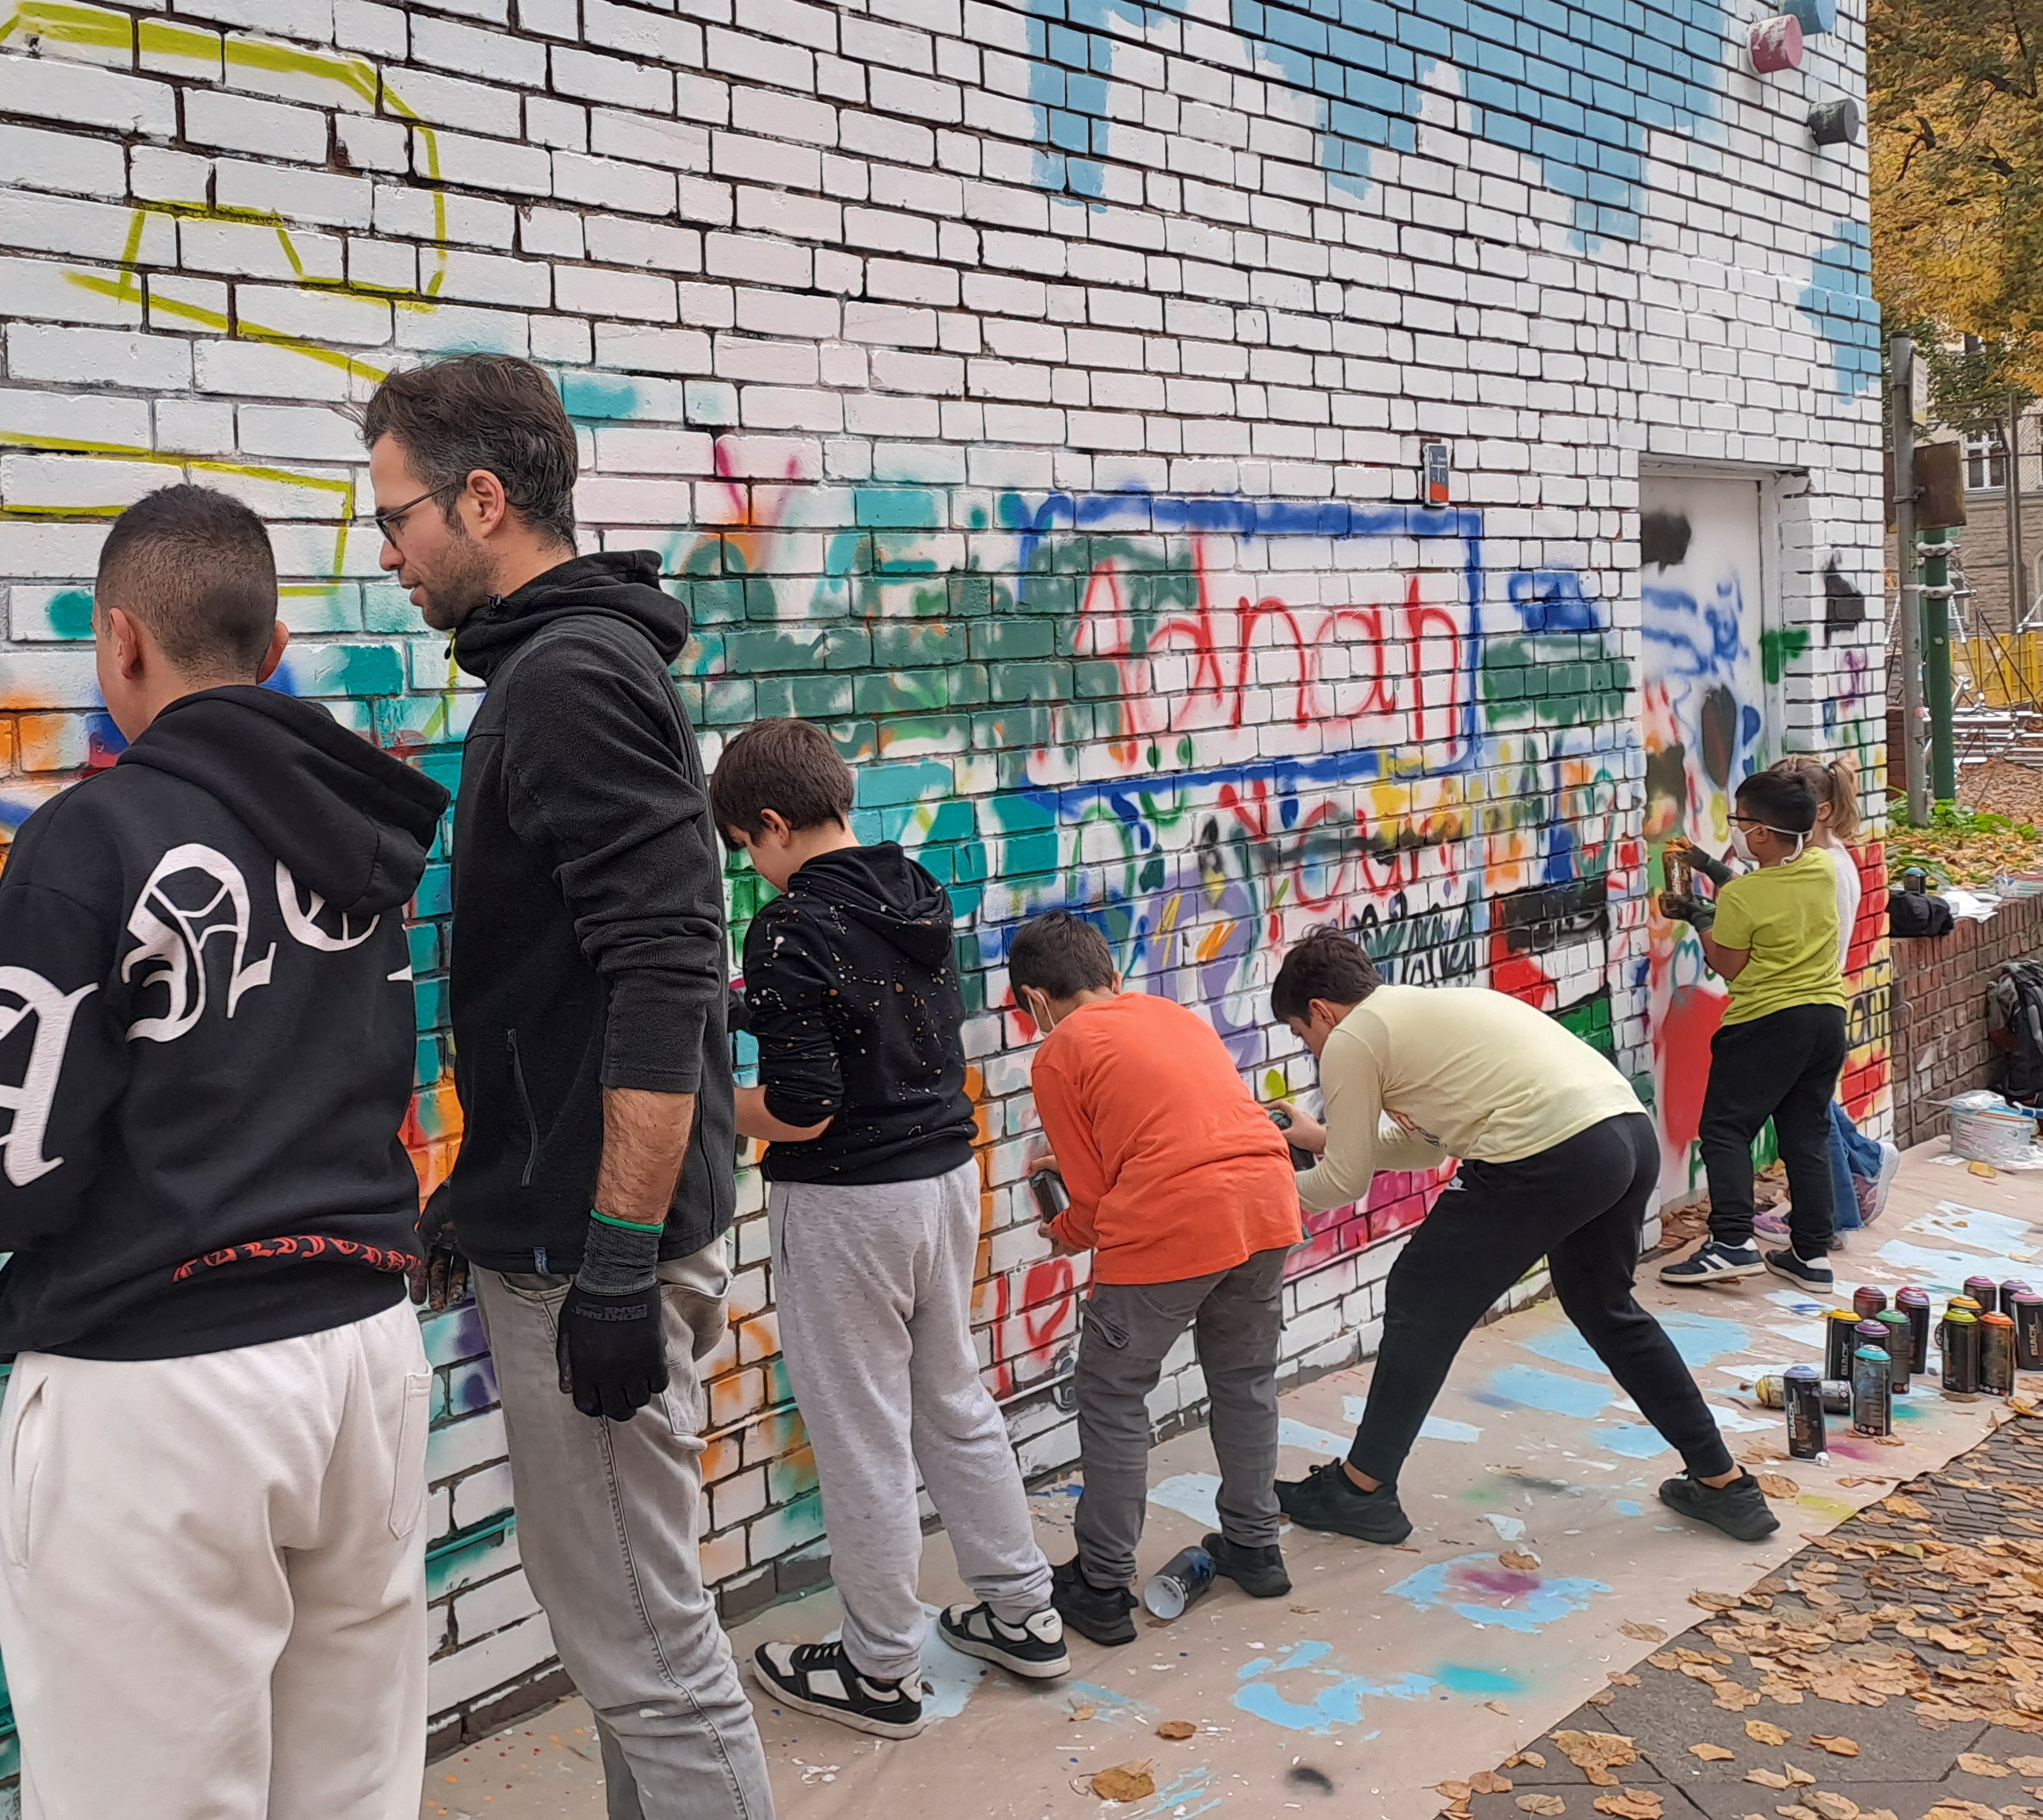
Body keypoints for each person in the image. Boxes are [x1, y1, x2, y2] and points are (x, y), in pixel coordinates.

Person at [0, 487, 449, 1820]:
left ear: (121, 642)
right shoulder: (367, 842)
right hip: (361, 1363)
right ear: (273, 648)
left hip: (157, 1394)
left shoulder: (93, 840)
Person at [366, 354, 779, 1820]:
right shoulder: (560, 670)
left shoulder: (570, 681)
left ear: (482, 499)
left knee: (651, 1655)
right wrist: (475, 1204)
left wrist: (609, 1259)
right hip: (548, 1233)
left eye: (399, 515)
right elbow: (562, 992)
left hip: (588, 1263)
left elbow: (668, 966)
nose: (388, 551)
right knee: (625, 1643)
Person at [710, 721, 1066, 1738]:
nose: (749, 866)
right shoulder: (912, 892)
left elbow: (805, 1105)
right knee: (949, 1396)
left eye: (745, 845)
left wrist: (705, 1098)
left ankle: (877, 1671)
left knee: (861, 1431)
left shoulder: (785, 928)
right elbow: (864, 1012)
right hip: (945, 1179)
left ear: (772, 825)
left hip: (847, 1202)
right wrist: (748, 1009)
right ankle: (1021, 1613)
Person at [1267, 926, 1779, 1549]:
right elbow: (1427, 1145)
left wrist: (1261, 1189)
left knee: (1419, 1293)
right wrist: (1321, 1139)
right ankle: (1725, 1485)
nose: (1312, 1048)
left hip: (1546, 1154)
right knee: (1606, 1308)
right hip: (1621, 1136)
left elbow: (1344, 1184)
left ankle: (1363, 1491)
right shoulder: (1430, 1009)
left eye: (1303, 1035)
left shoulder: (1352, 1037)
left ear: (1321, 1010)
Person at [1008, 911, 1305, 1646]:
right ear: (1111, 977)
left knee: (1113, 1394)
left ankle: (1101, 1586)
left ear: (1032, 1001)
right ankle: (1256, 1545)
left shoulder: (1059, 1051)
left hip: (1176, 1222)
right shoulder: (1171, 1014)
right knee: (1244, 1380)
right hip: (1265, 1203)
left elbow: (1096, 1201)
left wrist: (1061, 1229)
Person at [1656, 767, 1851, 1293]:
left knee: (1726, 1129)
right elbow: (1762, 891)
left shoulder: (1744, 900)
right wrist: (1708, 868)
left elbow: (1731, 964)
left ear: (1761, 832)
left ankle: (1732, 1244)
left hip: (1768, 1022)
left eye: (1739, 820)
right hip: (1826, 1019)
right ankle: (1811, 1255)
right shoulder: (1818, 868)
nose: (1735, 828)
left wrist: (1697, 919)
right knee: (1804, 1135)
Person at [1760, 753, 1892, 1237]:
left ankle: (1833, 1213)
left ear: (1816, 811)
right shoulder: (1828, 859)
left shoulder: (1821, 869)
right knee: (1813, 1104)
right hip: (1817, 1002)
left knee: (1810, 1116)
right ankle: (1866, 1162)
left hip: (1804, 1002)